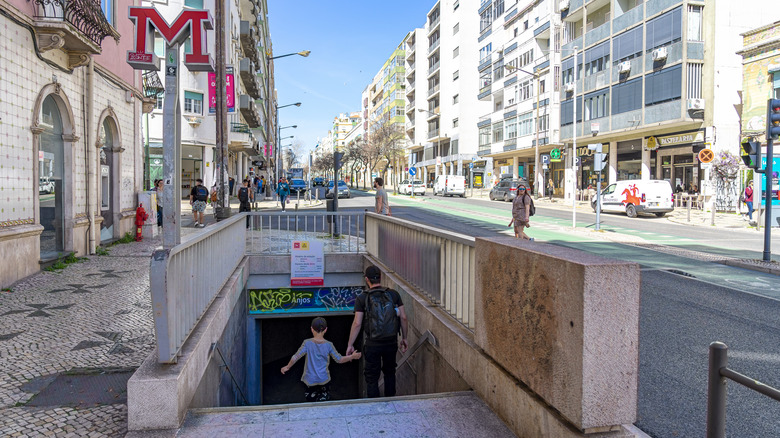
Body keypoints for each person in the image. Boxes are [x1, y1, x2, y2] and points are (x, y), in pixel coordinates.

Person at [347, 266, 408, 398]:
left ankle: (374, 405)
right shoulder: (393, 294)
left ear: (366, 279)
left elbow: (357, 323)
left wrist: (350, 345)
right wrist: (405, 338)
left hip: (372, 343)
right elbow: (403, 317)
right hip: (391, 341)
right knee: (390, 372)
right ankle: (391, 401)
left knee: (371, 377)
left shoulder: (362, 298)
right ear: (381, 277)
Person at [281, 317, 361, 402]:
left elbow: (295, 356)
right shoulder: (329, 345)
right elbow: (339, 359)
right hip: (324, 380)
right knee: (324, 402)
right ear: (326, 330)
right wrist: (352, 356)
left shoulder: (307, 343)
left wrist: (288, 366)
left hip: (310, 380)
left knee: (310, 403)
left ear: (311, 329)